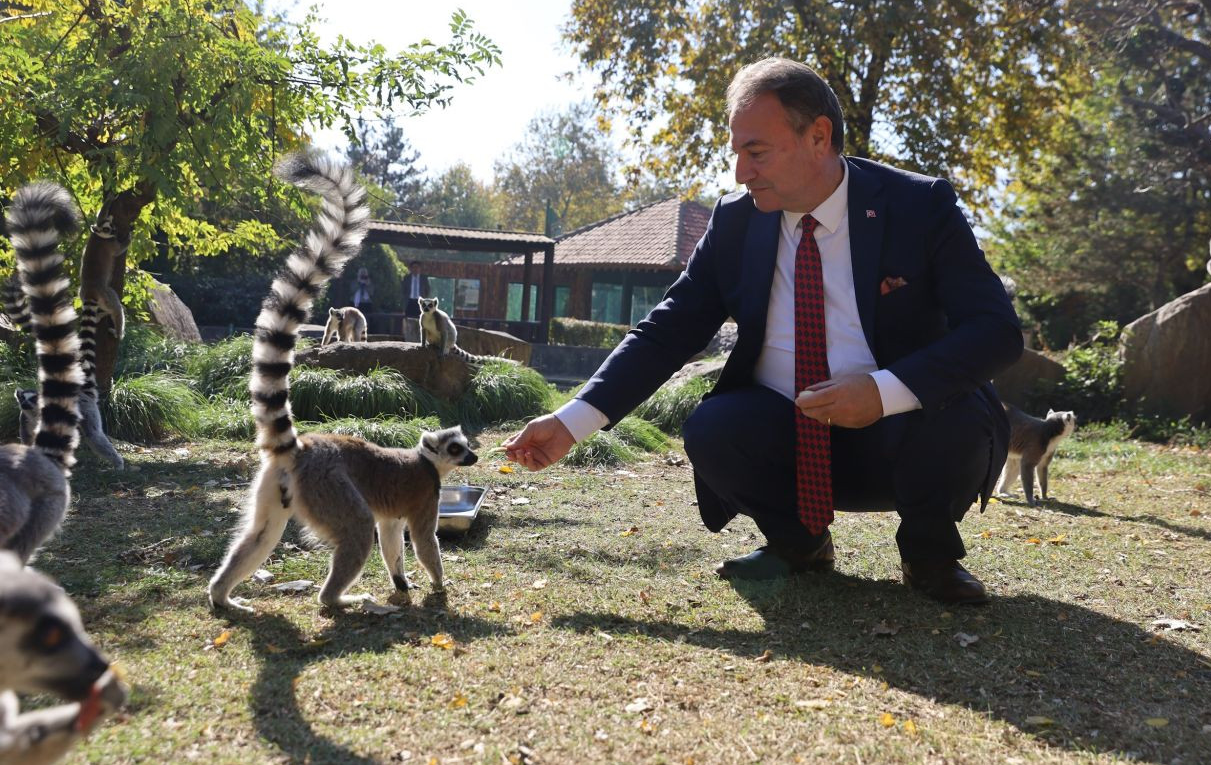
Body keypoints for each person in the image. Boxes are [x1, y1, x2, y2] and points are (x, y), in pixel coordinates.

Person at [503, 57, 1021, 604]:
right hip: (788, 441)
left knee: (957, 407)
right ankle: (799, 544)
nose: (741, 173)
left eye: (757, 152)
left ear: (818, 136)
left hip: (906, 442)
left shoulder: (919, 206)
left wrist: (883, 391)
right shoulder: (734, 223)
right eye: (737, 154)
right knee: (713, 425)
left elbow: (995, 330)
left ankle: (929, 555)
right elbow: (667, 331)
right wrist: (571, 421)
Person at [402, 260, 429, 342]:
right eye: (413, 267)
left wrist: (424, 299)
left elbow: (427, 290)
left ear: (420, 269)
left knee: (421, 321)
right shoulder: (407, 278)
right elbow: (403, 291)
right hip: (409, 302)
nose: (415, 269)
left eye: (417, 267)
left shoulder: (424, 278)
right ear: (411, 269)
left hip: (420, 302)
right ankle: (408, 339)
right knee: (409, 321)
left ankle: (420, 339)